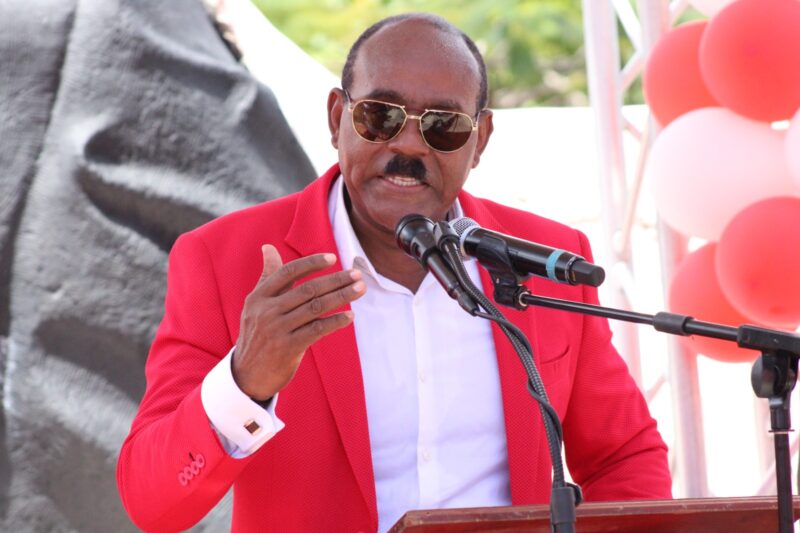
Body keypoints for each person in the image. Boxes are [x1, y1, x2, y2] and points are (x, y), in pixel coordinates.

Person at [117, 12, 671, 533]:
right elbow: (153, 501)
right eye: (379, 116)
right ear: (337, 118)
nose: (408, 144)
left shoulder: (544, 258)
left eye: (444, 126)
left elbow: (626, 457)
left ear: (480, 140)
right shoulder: (224, 261)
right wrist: (245, 383)